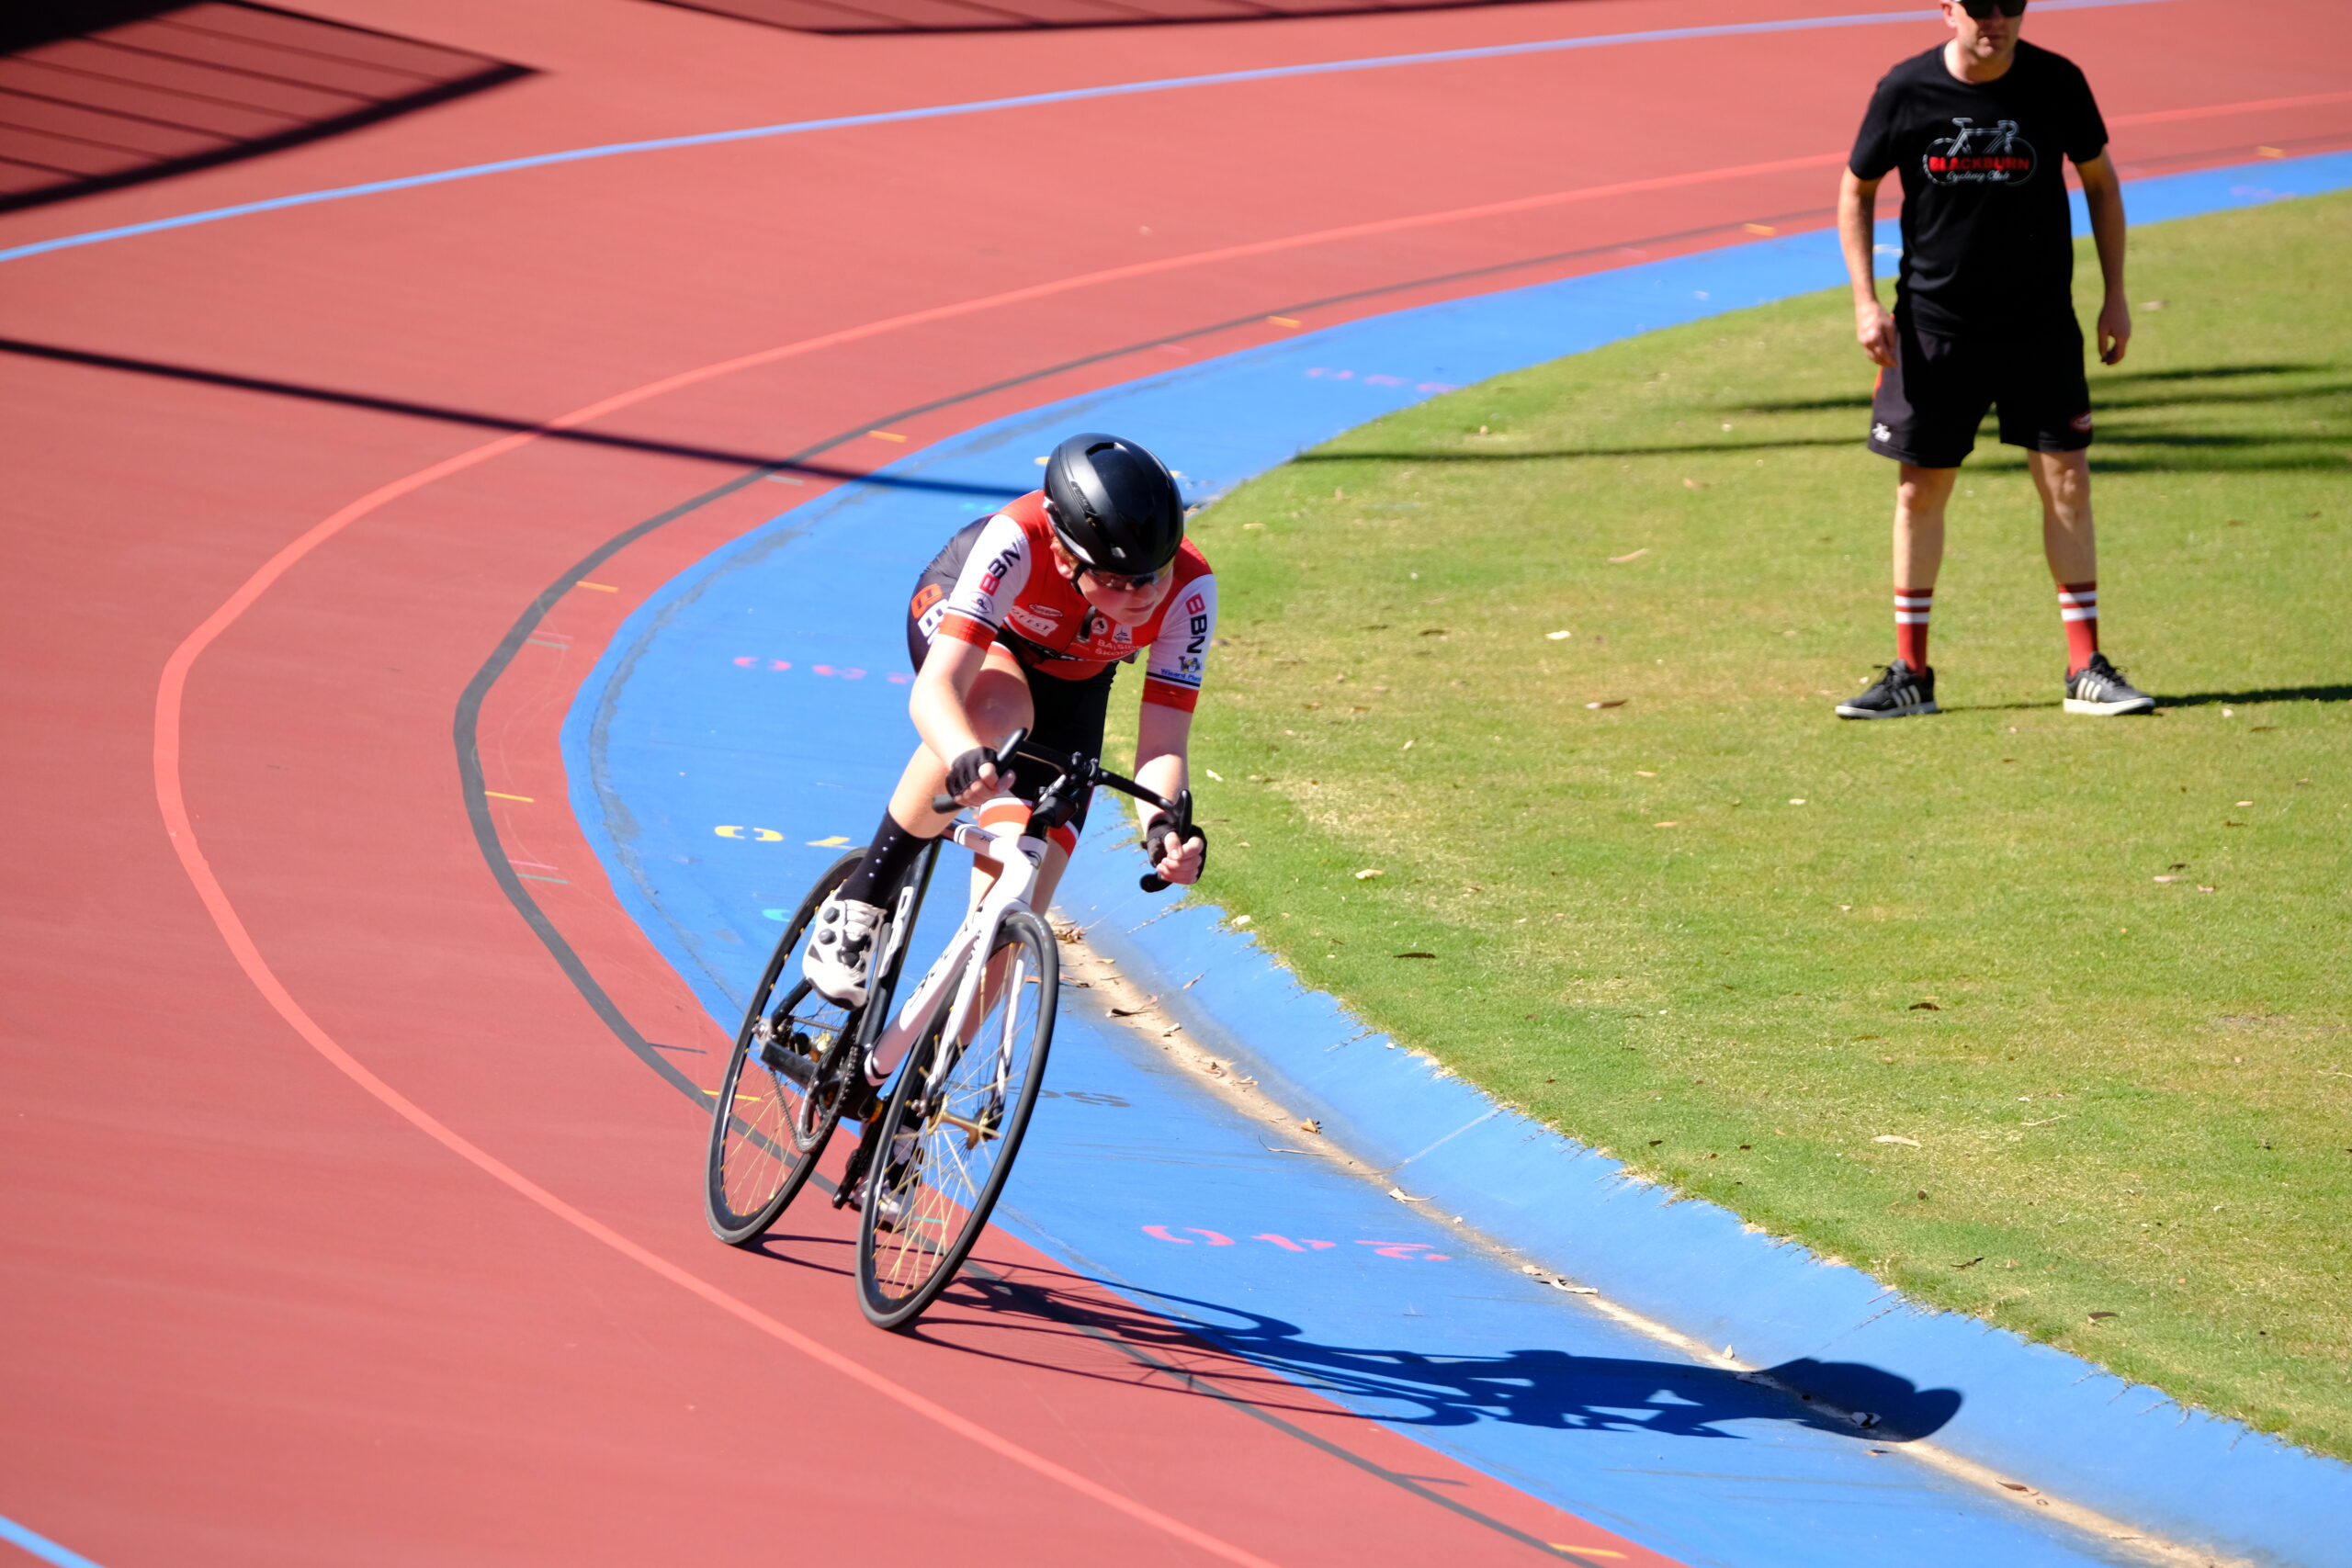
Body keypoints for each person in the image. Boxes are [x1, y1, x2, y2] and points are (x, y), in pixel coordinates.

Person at [803, 431, 1213, 1024]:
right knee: (995, 717)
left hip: (1076, 676)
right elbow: (937, 689)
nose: (1145, 594)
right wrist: (963, 752)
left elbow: (1163, 742)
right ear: (1066, 559)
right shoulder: (1015, 540)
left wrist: (1162, 827)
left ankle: (921, 1069)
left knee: (1018, 911)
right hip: (978, 630)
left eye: (1156, 572)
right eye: (1120, 580)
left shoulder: (1190, 592)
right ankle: (861, 900)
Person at [1835, 0, 2154, 719]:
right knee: (1919, 492)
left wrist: (2115, 296)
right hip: (1934, 327)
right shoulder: (1906, 89)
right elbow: (1856, 190)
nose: (1996, 19)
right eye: (1979, 6)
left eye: (2010, 4)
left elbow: (2101, 182)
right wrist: (1864, 301)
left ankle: (2085, 668)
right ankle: (1911, 674)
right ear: (1947, 10)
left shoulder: (2058, 81)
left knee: (2067, 482)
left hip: (2039, 325)